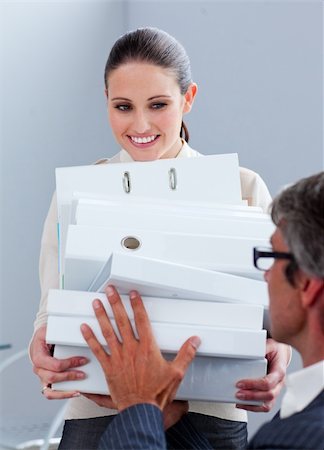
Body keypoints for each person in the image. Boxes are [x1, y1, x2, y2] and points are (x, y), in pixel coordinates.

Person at [29, 27, 290, 449]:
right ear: (106, 103)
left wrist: (281, 352)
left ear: (188, 99)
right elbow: (50, 310)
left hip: (211, 408)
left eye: (158, 104)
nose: (140, 124)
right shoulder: (75, 192)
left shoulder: (243, 188)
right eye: (123, 106)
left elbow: (277, 310)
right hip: (102, 408)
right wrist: (40, 351)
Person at [81, 171, 324, 450]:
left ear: (306, 283)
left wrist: (138, 407)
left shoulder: (301, 438)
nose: (266, 276)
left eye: (271, 257)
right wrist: (156, 416)